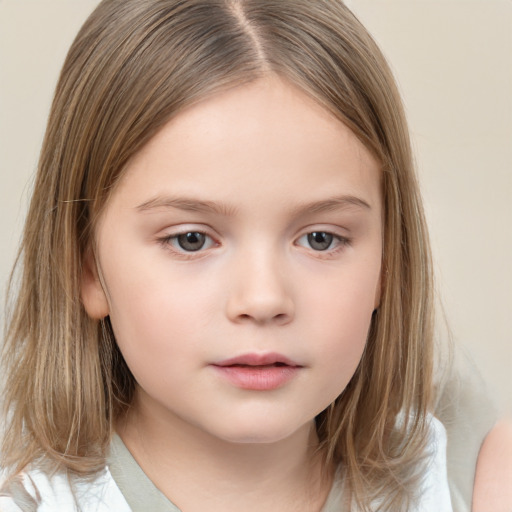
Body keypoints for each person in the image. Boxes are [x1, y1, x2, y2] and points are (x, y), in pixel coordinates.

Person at [0, 0, 456, 510]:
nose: (262, 300)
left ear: (387, 264)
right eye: (191, 239)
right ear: (87, 268)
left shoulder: (442, 480)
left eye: (320, 239)